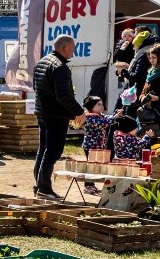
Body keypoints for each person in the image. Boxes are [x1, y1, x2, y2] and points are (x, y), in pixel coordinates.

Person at [32, 34, 86, 200]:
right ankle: (44, 188)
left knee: (43, 149)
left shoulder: (42, 61)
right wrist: (79, 112)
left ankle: (40, 185)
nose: (74, 51)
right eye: (73, 48)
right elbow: (63, 96)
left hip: (42, 112)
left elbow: (36, 87)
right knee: (53, 151)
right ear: (65, 48)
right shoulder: (60, 67)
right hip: (55, 115)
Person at [81, 95, 121, 195]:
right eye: (98, 104)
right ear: (92, 107)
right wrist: (114, 117)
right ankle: (87, 186)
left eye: (102, 104)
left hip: (97, 146)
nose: (101, 106)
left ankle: (91, 185)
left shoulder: (100, 115)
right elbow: (104, 123)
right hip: (90, 146)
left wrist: (116, 114)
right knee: (91, 166)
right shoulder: (89, 118)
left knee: (95, 165)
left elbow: (107, 118)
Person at [121, 29, 158, 96]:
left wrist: (124, 72)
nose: (133, 48)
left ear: (140, 45)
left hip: (138, 92)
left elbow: (137, 76)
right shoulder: (143, 55)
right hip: (140, 91)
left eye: (135, 45)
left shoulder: (143, 57)